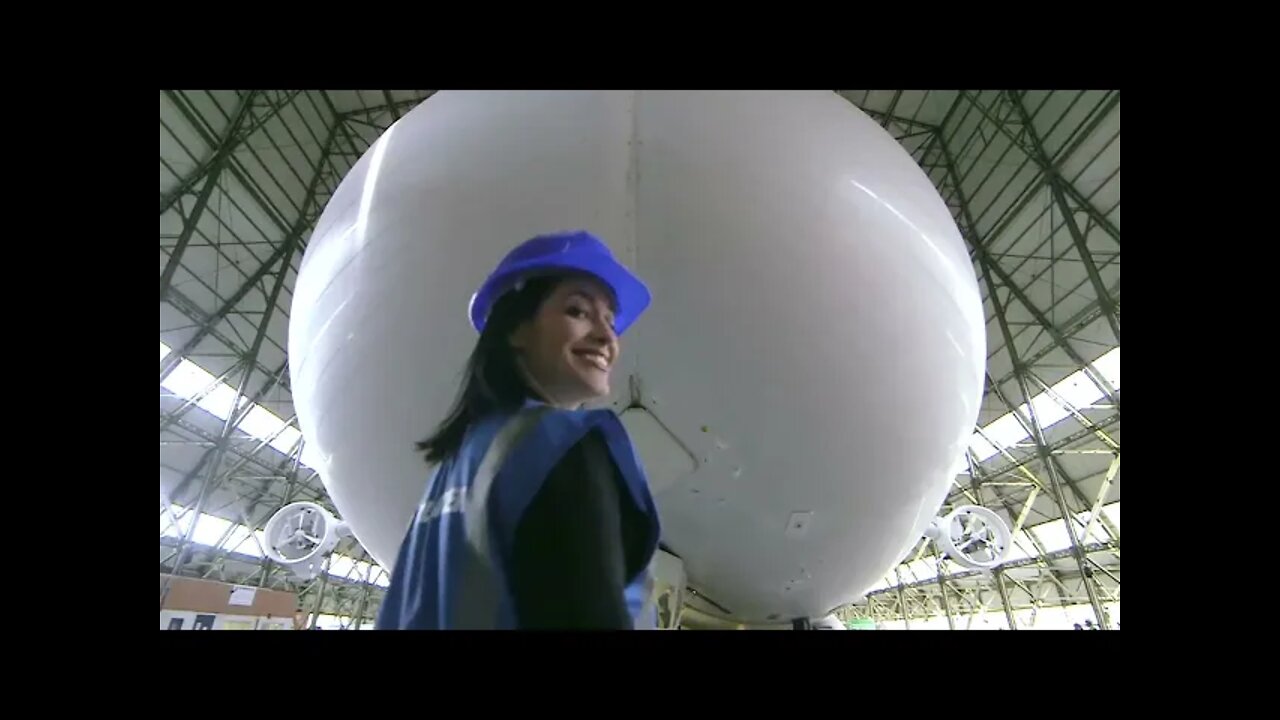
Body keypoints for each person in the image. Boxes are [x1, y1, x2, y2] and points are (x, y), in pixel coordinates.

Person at [376, 230, 662, 629]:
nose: (606, 337)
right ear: (516, 328)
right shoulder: (559, 444)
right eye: (578, 311)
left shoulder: (453, 470)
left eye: (611, 321)